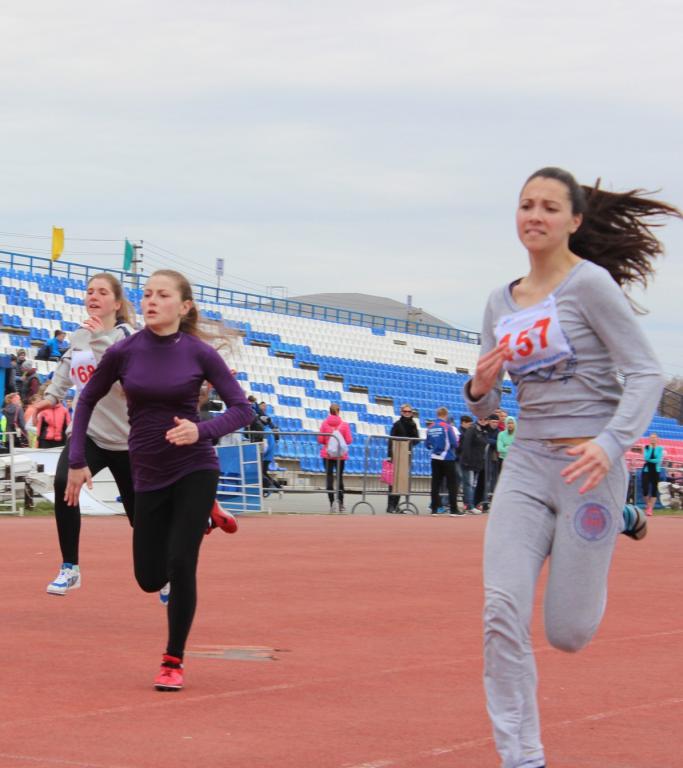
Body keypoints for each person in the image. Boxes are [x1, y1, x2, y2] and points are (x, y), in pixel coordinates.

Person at [465, 167, 676, 768]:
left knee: (568, 633)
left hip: (589, 469)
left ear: (574, 222)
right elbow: (490, 405)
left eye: (550, 207)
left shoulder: (591, 286)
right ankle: (522, 756)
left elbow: (646, 374)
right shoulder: (498, 301)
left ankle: (620, 513)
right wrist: (479, 388)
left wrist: (610, 446)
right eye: (526, 205)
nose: (535, 215)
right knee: (500, 611)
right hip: (527, 465)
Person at [65, 269, 253, 692]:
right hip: (146, 471)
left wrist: (201, 431)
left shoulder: (199, 353)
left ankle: (173, 659)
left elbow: (243, 410)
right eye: (147, 294)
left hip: (194, 465)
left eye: (162, 295)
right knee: (150, 577)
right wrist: (77, 460)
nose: (151, 301)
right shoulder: (125, 351)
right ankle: (204, 517)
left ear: (183, 306)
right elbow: (88, 398)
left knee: (181, 563)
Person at [33, 274, 137, 596]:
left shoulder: (128, 338)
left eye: (102, 292)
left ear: (116, 304)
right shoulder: (80, 335)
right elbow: (65, 371)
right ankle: (70, 568)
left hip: (129, 442)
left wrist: (95, 341)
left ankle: (163, 571)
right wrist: (49, 397)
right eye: (90, 291)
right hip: (90, 434)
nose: (93, 296)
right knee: (64, 483)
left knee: (141, 518)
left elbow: (127, 377)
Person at [425, 406, 461, 515]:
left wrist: (435, 448)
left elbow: (427, 445)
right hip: (447, 458)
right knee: (451, 484)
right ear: (446, 415)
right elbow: (454, 443)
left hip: (435, 458)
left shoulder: (430, 427)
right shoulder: (447, 427)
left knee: (435, 483)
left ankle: (434, 509)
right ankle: (454, 509)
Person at [318, 403, 352, 513]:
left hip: (327, 454)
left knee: (329, 478)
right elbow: (348, 440)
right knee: (339, 478)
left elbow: (320, 440)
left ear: (329, 411)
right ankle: (341, 503)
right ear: (338, 411)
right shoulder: (344, 425)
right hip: (340, 456)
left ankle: (331, 502)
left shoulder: (324, 424)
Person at [386, 403, 420, 513]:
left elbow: (417, 439)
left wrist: (409, 443)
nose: (407, 413)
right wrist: (389, 455)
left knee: (402, 481)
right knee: (393, 482)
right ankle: (390, 505)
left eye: (409, 411)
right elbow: (391, 440)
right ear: (401, 412)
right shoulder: (397, 424)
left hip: (406, 454)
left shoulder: (413, 424)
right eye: (405, 411)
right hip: (396, 454)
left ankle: (396, 505)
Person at [459, 416, 488, 513]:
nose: (483, 421)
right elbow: (466, 445)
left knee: (472, 484)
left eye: (485, 419)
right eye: (481, 419)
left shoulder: (483, 431)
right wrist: (466, 460)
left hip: (477, 463)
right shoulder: (472, 429)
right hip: (469, 462)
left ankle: (470, 505)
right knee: (468, 484)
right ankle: (470, 506)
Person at [641, 433, 664, 516]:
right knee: (645, 488)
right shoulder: (647, 447)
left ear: (657, 439)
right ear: (649, 439)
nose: (653, 439)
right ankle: (648, 505)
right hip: (646, 470)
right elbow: (646, 458)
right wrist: (651, 449)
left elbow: (657, 460)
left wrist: (650, 459)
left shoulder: (660, 448)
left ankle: (650, 509)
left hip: (656, 470)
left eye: (655, 438)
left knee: (654, 490)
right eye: (651, 438)